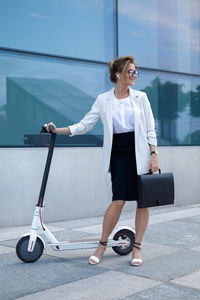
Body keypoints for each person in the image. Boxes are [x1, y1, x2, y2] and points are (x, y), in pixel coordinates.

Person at [46, 55, 159, 266]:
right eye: (130, 72)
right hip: (118, 155)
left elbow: (150, 128)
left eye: (136, 72)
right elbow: (84, 125)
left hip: (141, 154)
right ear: (118, 75)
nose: (134, 75)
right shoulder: (103, 99)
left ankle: (137, 249)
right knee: (118, 200)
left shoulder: (141, 97)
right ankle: (102, 244)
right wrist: (57, 130)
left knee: (143, 203)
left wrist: (154, 155)